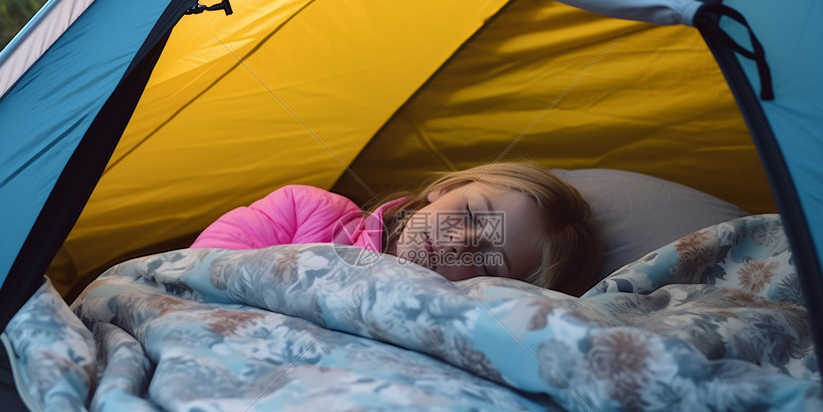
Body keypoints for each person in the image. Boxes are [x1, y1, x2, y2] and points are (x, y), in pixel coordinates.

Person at [190, 162, 601, 295]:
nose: (458, 245)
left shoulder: (439, 318)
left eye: (490, 263)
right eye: (473, 215)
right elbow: (200, 269)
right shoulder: (305, 209)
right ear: (446, 189)